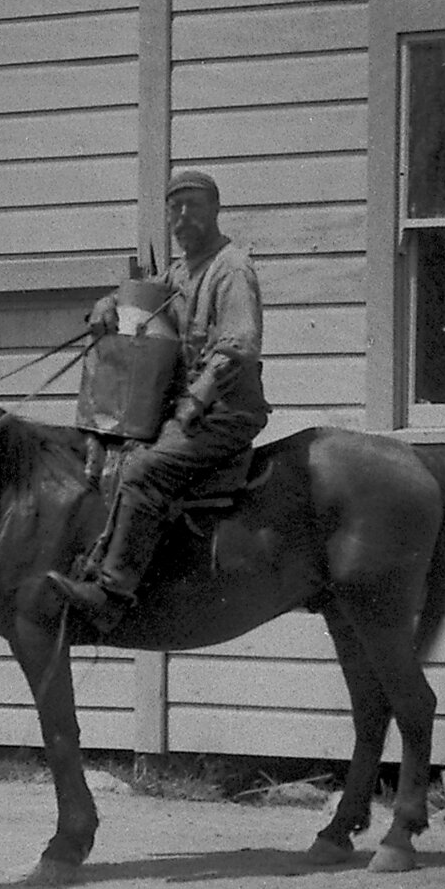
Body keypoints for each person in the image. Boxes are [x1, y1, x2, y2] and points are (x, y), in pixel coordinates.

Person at [49, 167, 269, 625]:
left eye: (194, 205)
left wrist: (197, 398)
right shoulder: (179, 271)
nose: (184, 216)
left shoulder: (231, 268)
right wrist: (108, 304)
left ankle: (112, 594)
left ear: (214, 211)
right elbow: (140, 299)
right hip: (186, 408)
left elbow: (240, 346)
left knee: (143, 469)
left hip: (225, 412)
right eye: (176, 208)